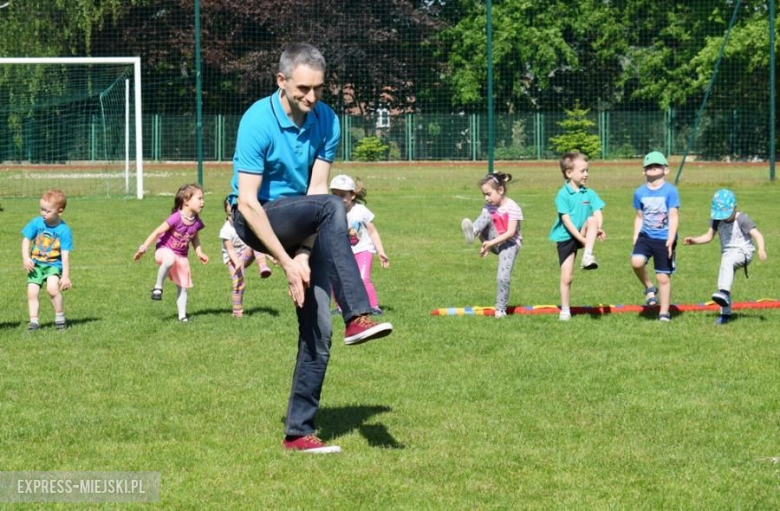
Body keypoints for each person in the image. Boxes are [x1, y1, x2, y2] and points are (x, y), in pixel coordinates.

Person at [230, 42, 393, 454]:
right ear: (281, 81)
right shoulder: (256, 121)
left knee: (318, 329)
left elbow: (318, 193)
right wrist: (285, 262)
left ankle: (298, 433)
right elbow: (248, 203)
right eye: (303, 88)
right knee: (329, 207)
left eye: (319, 89)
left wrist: (304, 254)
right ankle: (358, 312)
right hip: (256, 220)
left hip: (308, 223)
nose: (312, 97)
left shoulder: (327, 120)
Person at [683, 189, 767, 324]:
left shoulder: (742, 219)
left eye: (725, 214)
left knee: (726, 266)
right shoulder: (717, 219)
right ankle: (725, 314)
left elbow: (757, 235)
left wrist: (761, 249)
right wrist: (694, 241)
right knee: (723, 278)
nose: (723, 217)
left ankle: (724, 293)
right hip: (728, 254)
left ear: (734, 207)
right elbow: (708, 236)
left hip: (744, 252)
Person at [133, 183, 209, 322]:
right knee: (169, 260)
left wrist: (199, 252)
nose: (202, 202)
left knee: (183, 287)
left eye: (203, 199)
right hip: (164, 250)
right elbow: (157, 232)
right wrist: (143, 248)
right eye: (199, 198)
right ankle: (158, 287)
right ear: (186, 201)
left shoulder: (196, 222)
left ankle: (182, 316)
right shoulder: (176, 217)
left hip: (182, 256)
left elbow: (194, 237)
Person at [548, 152, 606, 321]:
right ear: (569, 173)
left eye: (587, 170)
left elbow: (597, 212)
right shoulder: (563, 194)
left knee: (592, 219)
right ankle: (565, 309)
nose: (586, 174)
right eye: (582, 171)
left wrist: (598, 228)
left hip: (582, 233)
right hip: (567, 236)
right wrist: (583, 240)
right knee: (567, 277)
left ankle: (587, 255)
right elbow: (566, 221)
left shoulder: (590, 193)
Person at [460, 172, 523, 318]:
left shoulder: (513, 207)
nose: (486, 198)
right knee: (486, 215)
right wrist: (484, 244)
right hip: (492, 240)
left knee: (503, 277)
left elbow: (510, 233)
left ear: (500, 190)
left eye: (488, 194)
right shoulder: (489, 206)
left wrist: (490, 244)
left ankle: (500, 309)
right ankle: (472, 232)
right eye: (484, 195)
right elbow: (486, 227)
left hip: (509, 244)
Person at [630, 151, 680, 322]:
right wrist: (636, 236)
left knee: (663, 277)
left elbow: (673, 216)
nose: (653, 168)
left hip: (664, 238)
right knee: (636, 261)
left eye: (657, 166)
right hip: (645, 236)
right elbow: (639, 216)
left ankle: (664, 312)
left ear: (666, 170)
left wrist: (671, 238)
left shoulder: (671, 191)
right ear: (644, 171)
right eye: (649, 166)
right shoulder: (639, 192)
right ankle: (649, 288)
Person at [329, 174, 389, 315]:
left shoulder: (361, 211)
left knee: (363, 278)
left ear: (352, 195)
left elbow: (372, 232)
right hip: (341, 251)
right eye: (334, 195)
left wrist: (381, 251)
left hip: (362, 249)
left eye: (342, 195)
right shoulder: (330, 211)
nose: (338, 199)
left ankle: (373, 306)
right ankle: (341, 307)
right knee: (336, 279)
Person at [21, 189, 73, 331]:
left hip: (53, 265)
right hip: (35, 265)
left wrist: (66, 276)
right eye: (41, 209)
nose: (43, 213)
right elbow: (26, 240)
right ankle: (34, 322)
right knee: (31, 292)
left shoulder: (64, 230)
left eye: (47, 211)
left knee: (52, 290)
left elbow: (65, 254)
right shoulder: (36, 223)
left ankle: (60, 318)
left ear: (59, 211)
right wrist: (26, 257)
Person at [219, 196, 274, 318]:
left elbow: (260, 242)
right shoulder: (226, 230)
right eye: (230, 205)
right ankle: (237, 313)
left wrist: (271, 256)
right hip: (232, 260)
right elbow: (229, 250)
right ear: (226, 210)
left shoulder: (245, 224)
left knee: (254, 243)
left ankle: (263, 266)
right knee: (239, 283)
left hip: (246, 255)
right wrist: (236, 263)